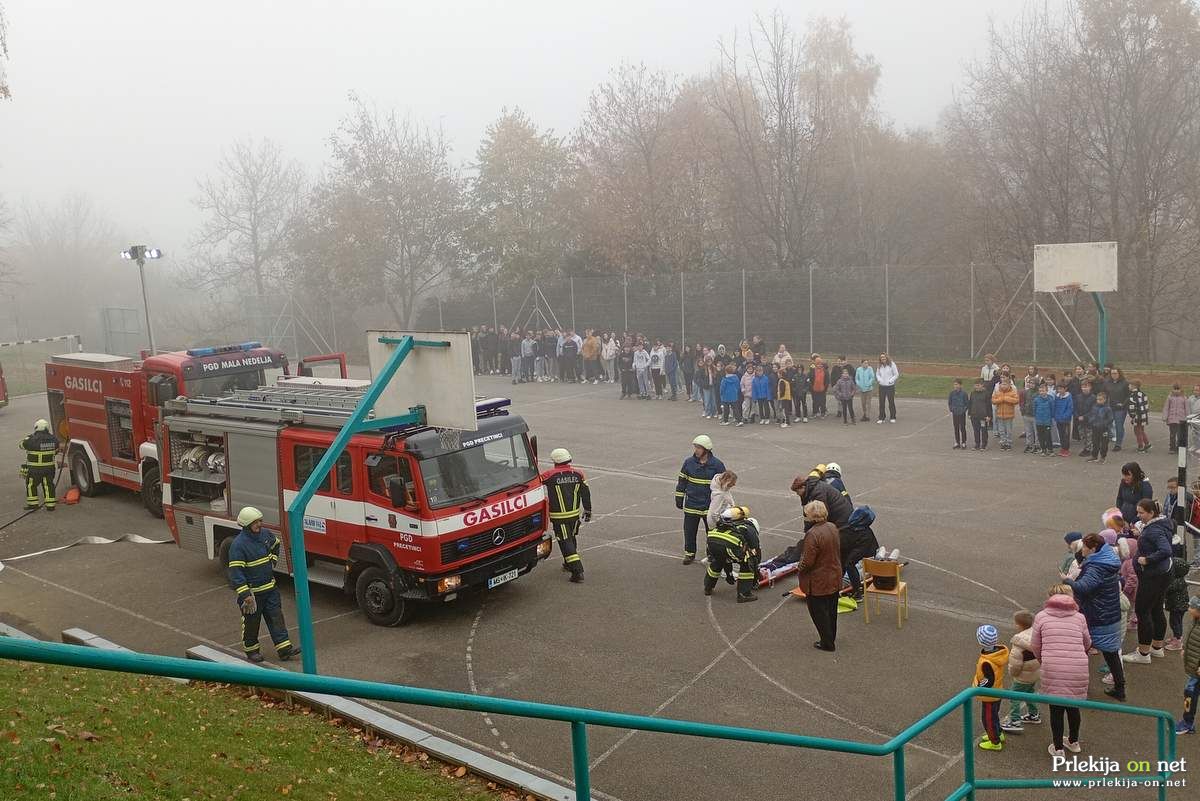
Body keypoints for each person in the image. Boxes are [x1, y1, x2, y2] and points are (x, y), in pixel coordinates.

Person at [1062, 533, 1127, 701]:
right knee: (1111, 653)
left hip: (1096, 615)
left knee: (1081, 651)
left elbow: (1083, 587)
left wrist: (1068, 581)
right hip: (1110, 613)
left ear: (1092, 549)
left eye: (1084, 547)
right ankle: (1120, 688)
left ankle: (1079, 687)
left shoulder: (1096, 567)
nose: (1082, 549)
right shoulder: (1107, 559)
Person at [227, 507, 293, 663]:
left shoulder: (264, 535)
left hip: (270, 589)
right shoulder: (238, 545)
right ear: (246, 524)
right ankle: (251, 651)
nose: (259, 524)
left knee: (276, 618)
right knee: (251, 624)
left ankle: (284, 649)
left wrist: (273, 560)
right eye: (256, 522)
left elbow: (275, 544)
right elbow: (236, 573)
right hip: (253, 595)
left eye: (260, 521)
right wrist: (246, 595)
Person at [1032, 585, 1090, 758]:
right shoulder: (1079, 617)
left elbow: (1035, 645)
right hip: (1077, 666)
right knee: (1073, 707)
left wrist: (1043, 659)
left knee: (1055, 709)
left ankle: (1058, 748)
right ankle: (1073, 741)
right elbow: (1087, 641)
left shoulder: (1041, 617)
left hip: (1053, 666)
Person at [1123, 498, 1173, 665]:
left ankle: (1143, 653)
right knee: (1156, 608)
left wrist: (1148, 560)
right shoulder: (1160, 525)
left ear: (1152, 513)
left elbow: (1165, 549)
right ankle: (1156, 647)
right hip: (1163, 574)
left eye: (1141, 512)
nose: (1138, 515)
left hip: (1152, 576)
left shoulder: (1153, 531)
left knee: (1143, 611)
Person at [541, 448, 591, 583]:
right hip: (574, 516)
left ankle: (577, 571)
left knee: (565, 541)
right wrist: (588, 510)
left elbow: (535, 483)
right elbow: (586, 493)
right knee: (571, 538)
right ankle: (568, 564)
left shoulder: (549, 475)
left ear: (554, 461)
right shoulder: (579, 474)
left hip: (559, 517)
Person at [797, 501, 842, 652]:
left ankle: (827, 642)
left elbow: (808, 561)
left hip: (818, 580)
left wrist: (800, 568)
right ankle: (831, 637)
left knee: (819, 612)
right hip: (834, 575)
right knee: (831, 610)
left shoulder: (812, 534)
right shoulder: (832, 527)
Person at [675, 435, 726, 564]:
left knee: (712, 533)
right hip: (692, 504)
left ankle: (712, 555)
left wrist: (722, 504)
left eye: (699, 448)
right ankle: (689, 554)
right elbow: (682, 481)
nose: (696, 450)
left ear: (706, 449)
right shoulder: (688, 463)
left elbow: (724, 487)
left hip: (710, 506)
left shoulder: (717, 465)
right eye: (695, 447)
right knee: (689, 531)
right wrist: (679, 497)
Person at [704, 505, 761, 603]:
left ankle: (708, 588)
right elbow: (755, 553)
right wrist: (755, 577)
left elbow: (726, 559)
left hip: (712, 542)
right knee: (748, 562)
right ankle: (744, 594)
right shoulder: (748, 529)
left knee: (718, 561)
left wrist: (729, 574)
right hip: (727, 545)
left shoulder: (727, 524)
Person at [1000, 611, 1042, 733]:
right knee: (1029, 693)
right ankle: (1034, 714)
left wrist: (1013, 673)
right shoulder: (1036, 636)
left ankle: (1015, 721)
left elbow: (1015, 664)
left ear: (1019, 625)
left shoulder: (1018, 644)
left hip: (1023, 676)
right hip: (1034, 673)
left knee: (1014, 696)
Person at [973, 624, 1010, 751]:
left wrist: (978, 686)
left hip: (990, 695)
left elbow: (989, 681)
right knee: (994, 715)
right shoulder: (996, 654)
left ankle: (995, 742)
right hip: (997, 690)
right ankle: (998, 733)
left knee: (987, 719)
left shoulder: (986, 662)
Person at [790, 466, 853, 531]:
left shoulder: (818, 492)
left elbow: (820, 515)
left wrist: (812, 532)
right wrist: (808, 530)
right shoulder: (808, 491)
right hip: (840, 516)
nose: (797, 494)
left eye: (797, 491)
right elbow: (807, 514)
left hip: (842, 520)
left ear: (803, 487)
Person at [839, 505, 879, 601]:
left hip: (865, 557)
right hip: (861, 555)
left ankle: (857, 592)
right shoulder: (852, 529)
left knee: (850, 564)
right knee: (848, 563)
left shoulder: (864, 535)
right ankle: (855, 590)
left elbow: (851, 560)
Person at [19, 419, 59, 511]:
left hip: (34, 469)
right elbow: (56, 450)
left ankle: (33, 505)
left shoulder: (30, 439)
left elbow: (21, 445)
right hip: (49, 469)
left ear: (36, 428)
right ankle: (50, 506)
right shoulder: (54, 439)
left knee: (31, 485)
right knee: (48, 485)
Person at [1175, 596, 1200, 734]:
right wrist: (1185, 648)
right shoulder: (1196, 621)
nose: (1189, 609)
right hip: (1194, 667)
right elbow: (1191, 637)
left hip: (1197, 670)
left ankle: (1187, 722)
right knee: (1190, 692)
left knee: (1190, 692)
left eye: (1192, 607)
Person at [1165, 555, 1191, 651]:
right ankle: (1177, 637)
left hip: (1176, 606)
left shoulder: (1175, 581)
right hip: (1181, 606)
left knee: (1174, 622)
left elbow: (1167, 590)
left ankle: (1177, 641)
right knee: (1178, 622)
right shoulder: (1181, 580)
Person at [1086, 391, 1114, 464]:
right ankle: (1094, 456)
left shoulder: (1108, 408)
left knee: (1104, 444)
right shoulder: (1094, 407)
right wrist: (1091, 421)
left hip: (1104, 429)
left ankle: (1103, 457)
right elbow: (1091, 415)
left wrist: (1104, 424)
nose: (1098, 401)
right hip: (1095, 428)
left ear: (1105, 399)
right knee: (1095, 443)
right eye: (1097, 399)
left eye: (1100, 399)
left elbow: (1110, 419)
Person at [993, 377, 1020, 451]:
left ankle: (1008, 442)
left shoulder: (1012, 392)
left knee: (1008, 430)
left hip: (1009, 415)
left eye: (1005, 384)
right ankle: (1003, 442)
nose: (1003, 386)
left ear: (1009, 385)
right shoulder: (997, 392)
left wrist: (1007, 399)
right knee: (1001, 430)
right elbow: (993, 400)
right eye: (1002, 384)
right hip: (999, 415)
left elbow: (1016, 400)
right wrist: (1001, 399)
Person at [1107, 367, 1130, 451]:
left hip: (1120, 408)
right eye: (1112, 373)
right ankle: (1110, 436)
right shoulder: (1108, 382)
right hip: (1110, 407)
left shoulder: (1125, 383)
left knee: (1118, 425)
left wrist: (1123, 404)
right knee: (1108, 423)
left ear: (1119, 373)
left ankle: (1118, 444)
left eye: (1115, 373)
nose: (1114, 375)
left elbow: (1129, 395)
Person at [1125, 379, 1150, 452]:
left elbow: (1132, 408)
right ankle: (1147, 443)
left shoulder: (1132, 396)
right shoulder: (1142, 394)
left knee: (1137, 431)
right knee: (1141, 430)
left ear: (1133, 386)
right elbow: (1146, 405)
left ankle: (1140, 446)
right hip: (1144, 415)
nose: (1128, 386)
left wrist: (1132, 416)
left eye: (1129, 385)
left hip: (1137, 416)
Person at [1163, 383, 1189, 452]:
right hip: (1172, 420)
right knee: (1172, 435)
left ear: (1181, 389)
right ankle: (1172, 448)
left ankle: (1179, 448)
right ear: (1172, 389)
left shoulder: (1184, 398)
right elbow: (1166, 407)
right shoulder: (1169, 397)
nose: (1176, 391)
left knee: (1180, 435)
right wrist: (1165, 417)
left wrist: (1188, 418)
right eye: (1175, 389)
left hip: (1181, 420)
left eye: (1178, 389)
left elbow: (1187, 409)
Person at [969, 379, 992, 451]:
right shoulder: (972, 393)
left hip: (983, 416)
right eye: (975, 385)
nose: (976, 387)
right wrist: (969, 413)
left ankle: (984, 445)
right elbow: (970, 404)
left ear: (982, 385)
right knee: (976, 430)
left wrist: (989, 416)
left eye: (978, 385)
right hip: (974, 415)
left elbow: (989, 406)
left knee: (984, 430)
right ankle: (977, 444)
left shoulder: (986, 394)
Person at [876, 353, 900, 423]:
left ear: (886, 357)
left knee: (891, 402)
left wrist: (890, 381)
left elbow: (896, 374)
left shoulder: (892, 364)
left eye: (884, 357)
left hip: (890, 387)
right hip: (882, 387)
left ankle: (893, 417)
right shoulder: (879, 365)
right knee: (881, 402)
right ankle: (881, 418)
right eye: (881, 357)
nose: (883, 358)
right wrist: (879, 380)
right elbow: (877, 374)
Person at [1075, 380, 1096, 457]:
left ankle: (1088, 449)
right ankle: (1086, 447)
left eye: (1087, 386)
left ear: (1090, 387)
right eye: (1083, 387)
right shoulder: (1078, 397)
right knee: (1082, 435)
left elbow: (1093, 410)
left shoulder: (1093, 398)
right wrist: (1077, 416)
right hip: (1080, 420)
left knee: (1089, 435)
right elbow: (1075, 408)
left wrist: (1084, 416)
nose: (1085, 388)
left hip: (1089, 420)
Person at [1053, 383, 1073, 457]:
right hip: (1058, 419)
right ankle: (1062, 448)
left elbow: (1070, 409)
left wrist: (1064, 416)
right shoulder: (1057, 397)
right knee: (1061, 434)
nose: (1060, 390)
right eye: (1058, 389)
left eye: (1061, 389)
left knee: (1066, 435)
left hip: (1065, 420)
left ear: (1065, 389)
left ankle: (1066, 449)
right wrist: (1055, 416)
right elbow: (1055, 407)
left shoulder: (1068, 397)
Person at [948, 379, 969, 449]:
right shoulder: (952, 393)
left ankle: (963, 442)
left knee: (962, 427)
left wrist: (963, 410)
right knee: (956, 427)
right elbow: (950, 402)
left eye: (957, 384)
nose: (955, 386)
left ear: (961, 385)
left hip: (961, 413)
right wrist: (952, 409)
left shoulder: (964, 394)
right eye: (954, 384)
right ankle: (957, 442)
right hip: (955, 413)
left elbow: (967, 404)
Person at [776, 362, 794, 428]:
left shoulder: (781, 381)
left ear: (781, 374)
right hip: (786, 397)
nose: (777, 374)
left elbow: (782, 390)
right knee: (786, 409)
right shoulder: (786, 380)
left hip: (784, 397)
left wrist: (779, 397)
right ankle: (787, 422)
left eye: (778, 373)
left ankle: (787, 422)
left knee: (784, 410)